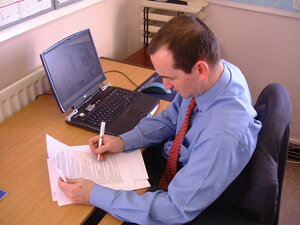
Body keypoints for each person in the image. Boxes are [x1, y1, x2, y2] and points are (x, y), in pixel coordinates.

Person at [58, 15, 262, 224]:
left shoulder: (222, 135)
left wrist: (95, 195)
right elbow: (172, 119)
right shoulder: (216, 74)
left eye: (170, 78)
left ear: (200, 69)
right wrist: (123, 141)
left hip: (186, 195)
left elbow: (175, 209)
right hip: (174, 162)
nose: (165, 87)